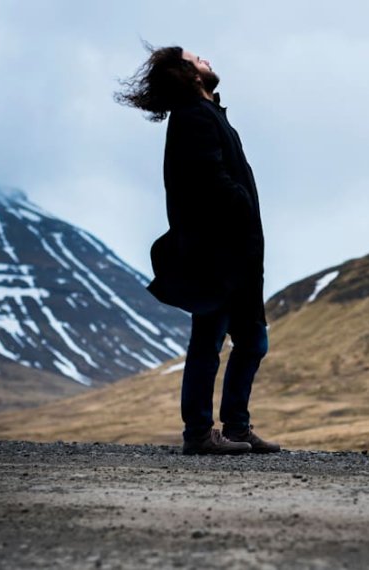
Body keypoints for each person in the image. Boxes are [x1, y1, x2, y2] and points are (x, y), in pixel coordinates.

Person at [115, 43, 281, 455]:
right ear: (188, 75)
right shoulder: (192, 118)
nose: (205, 58)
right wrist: (240, 202)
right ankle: (199, 435)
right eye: (196, 58)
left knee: (252, 342)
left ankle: (238, 428)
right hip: (217, 255)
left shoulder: (209, 115)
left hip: (240, 255)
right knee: (208, 342)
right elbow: (208, 181)